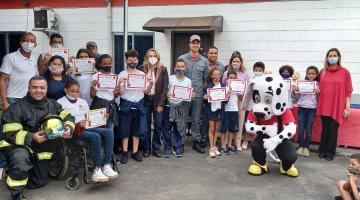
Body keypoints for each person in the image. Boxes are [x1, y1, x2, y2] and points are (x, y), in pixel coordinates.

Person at [0, 76, 74, 200]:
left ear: (46, 89)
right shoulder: (17, 108)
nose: (38, 90)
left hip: (40, 148)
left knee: (39, 182)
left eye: (42, 87)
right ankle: (17, 194)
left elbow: (68, 116)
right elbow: (10, 133)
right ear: (28, 88)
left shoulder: (52, 104)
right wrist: (31, 137)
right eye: (34, 87)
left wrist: (68, 128)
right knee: (20, 159)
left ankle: (15, 173)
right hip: (19, 147)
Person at [57, 79, 118, 182]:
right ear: (65, 90)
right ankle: (96, 170)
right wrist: (77, 124)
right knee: (96, 136)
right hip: (74, 129)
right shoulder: (60, 102)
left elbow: (90, 117)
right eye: (72, 91)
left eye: (77, 91)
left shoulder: (82, 101)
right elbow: (60, 121)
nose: (75, 93)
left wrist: (102, 117)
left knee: (109, 132)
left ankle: (107, 165)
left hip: (87, 126)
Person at [317, 48, 353, 161]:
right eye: (330, 55)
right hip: (324, 105)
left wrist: (347, 107)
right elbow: (316, 86)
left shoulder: (345, 72)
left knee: (333, 131)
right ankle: (322, 150)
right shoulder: (323, 71)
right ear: (327, 58)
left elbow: (348, 91)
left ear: (338, 57)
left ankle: (330, 152)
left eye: (334, 55)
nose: (332, 57)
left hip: (337, 106)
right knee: (325, 130)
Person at [118, 50, 153, 164]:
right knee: (125, 128)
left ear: (138, 60)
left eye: (134, 59)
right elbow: (121, 93)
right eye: (130, 60)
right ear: (126, 60)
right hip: (126, 103)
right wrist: (120, 83)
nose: (132, 61)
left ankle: (135, 151)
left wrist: (151, 83)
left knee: (137, 129)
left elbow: (146, 91)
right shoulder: (122, 74)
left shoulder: (142, 74)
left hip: (139, 103)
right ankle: (124, 152)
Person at [178, 34, 209, 154]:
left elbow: (206, 77)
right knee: (183, 118)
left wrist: (201, 87)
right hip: (184, 94)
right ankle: (180, 142)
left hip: (198, 95)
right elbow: (178, 75)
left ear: (200, 45)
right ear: (189, 44)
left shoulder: (204, 61)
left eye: (197, 43)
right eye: (193, 42)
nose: (195, 45)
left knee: (196, 119)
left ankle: (196, 141)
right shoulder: (182, 58)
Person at [138, 48, 169, 158]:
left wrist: (161, 104)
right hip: (146, 100)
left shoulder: (163, 69)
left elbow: (165, 88)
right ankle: (146, 148)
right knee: (145, 126)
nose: (152, 58)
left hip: (158, 101)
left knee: (158, 125)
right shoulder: (141, 68)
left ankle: (156, 148)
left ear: (158, 57)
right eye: (150, 56)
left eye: (154, 56)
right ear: (147, 57)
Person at [0, 32, 38, 111]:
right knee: (13, 123)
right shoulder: (10, 57)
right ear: (20, 42)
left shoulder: (33, 59)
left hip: (29, 98)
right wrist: (4, 102)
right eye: (26, 40)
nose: (28, 43)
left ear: (35, 44)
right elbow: (2, 79)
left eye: (31, 41)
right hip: (13, 99)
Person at [221, 52, 251, 152]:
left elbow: (247, 88)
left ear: (241, 62)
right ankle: (226, 143)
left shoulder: (245, 73)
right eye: (234, 61)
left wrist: (242, 95)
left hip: (240, 99)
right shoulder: (226, 72)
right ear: (231, 62)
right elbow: (223, 86)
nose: (236, 63)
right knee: (228, 121)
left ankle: (237, 141)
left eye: (238, 61)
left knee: (240, 121)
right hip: (230, 100)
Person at [163, 59, 192, 158]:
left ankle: (177, 147)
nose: (180, 68)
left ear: (185, 68)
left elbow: (188, 95)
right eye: (178, 66)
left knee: (178, 128)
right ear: (175, 68)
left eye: (182, 66)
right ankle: (167, 148)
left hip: (181, 107)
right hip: (169, 106)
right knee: (167, 128)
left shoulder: (188, 81)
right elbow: (165, 91)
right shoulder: (170, 78)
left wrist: (190, 95)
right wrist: (167, 94)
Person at [293, 66, 319, 157]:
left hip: (312, 109)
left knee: (308, 129)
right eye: (309, 73)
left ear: (316, 75)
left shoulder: (318, 85)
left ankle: (306, 147)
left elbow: (319, 99)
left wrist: (318, 93)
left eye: (313, 73)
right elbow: (296, 98)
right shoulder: (301, 84)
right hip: (302, 108)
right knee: (300, 128)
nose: (311, 75)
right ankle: (300, 147)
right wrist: (294, 91)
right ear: (306, 74)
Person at [90, 54, 120, 130]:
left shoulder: (115, 77)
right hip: (98, 105)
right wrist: (93, 87)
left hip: (111, 106)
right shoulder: (95, 76)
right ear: (100, 64)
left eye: (109, 63)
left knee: (110, 129)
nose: (107, 65)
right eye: (105, 64)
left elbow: (115, 96)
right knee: (98, 130)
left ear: (112, 64)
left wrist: (117, 91)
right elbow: (92, 96)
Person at [241, 61, 266, 150]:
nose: (258, 71)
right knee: (248, 124)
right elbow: (247, 94)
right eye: (256, 70)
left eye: (260, 70)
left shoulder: (266, 81)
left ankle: (256, 142)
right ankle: (245, 141)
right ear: (253, 70)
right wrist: (244, 104)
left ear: (263, 71)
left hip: (260, 108)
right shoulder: (251, 80)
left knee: (258, 125)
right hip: (250, 107)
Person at [203, 69, 228, 158]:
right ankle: (211, 147)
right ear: (211, 76)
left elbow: (226, 100)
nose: (217, 76)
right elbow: (204, 98)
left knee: (217, 129)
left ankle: (214, 147)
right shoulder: (208, 86)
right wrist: (205, 97)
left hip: (220, 109)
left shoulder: (224, 86)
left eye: (218, 74)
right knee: (211, 128)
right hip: (211, 109)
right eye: (215, 74)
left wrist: (227, 96)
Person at [219, 70, 239, 154]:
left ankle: (230, 145)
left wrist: (241, 92)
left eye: (234, 78)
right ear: (227, 79)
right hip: (226, 111)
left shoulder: (238, 88)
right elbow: (223, 100)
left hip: (235, 110)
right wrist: (228, 92)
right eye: (230, 78)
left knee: (232, 129)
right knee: (224, 129)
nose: (232, 79)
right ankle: (223, 145)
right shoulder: (224, 88)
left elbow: (241, 98)